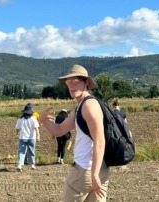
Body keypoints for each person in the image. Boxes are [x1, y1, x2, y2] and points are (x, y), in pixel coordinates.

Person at [40, 64, 109, 201]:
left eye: (75, 81)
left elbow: (99, 141)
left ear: (87, 83)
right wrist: (43, 120)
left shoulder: (88, 106)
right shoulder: (80, 106)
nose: (71, 85)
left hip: (85, 171)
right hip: (100, 168)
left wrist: (94, 174)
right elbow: (59, 130)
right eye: (68, 82)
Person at [16, 105, 41, 171]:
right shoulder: (33, 119)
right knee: (31, 151)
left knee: (21, 152)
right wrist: (38, 135)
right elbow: (36, 128)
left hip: (22, 137)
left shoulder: (20, 119)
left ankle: (20, 165)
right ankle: (32, 165)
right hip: (31, 138)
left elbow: (17, 128)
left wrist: (17, 134)